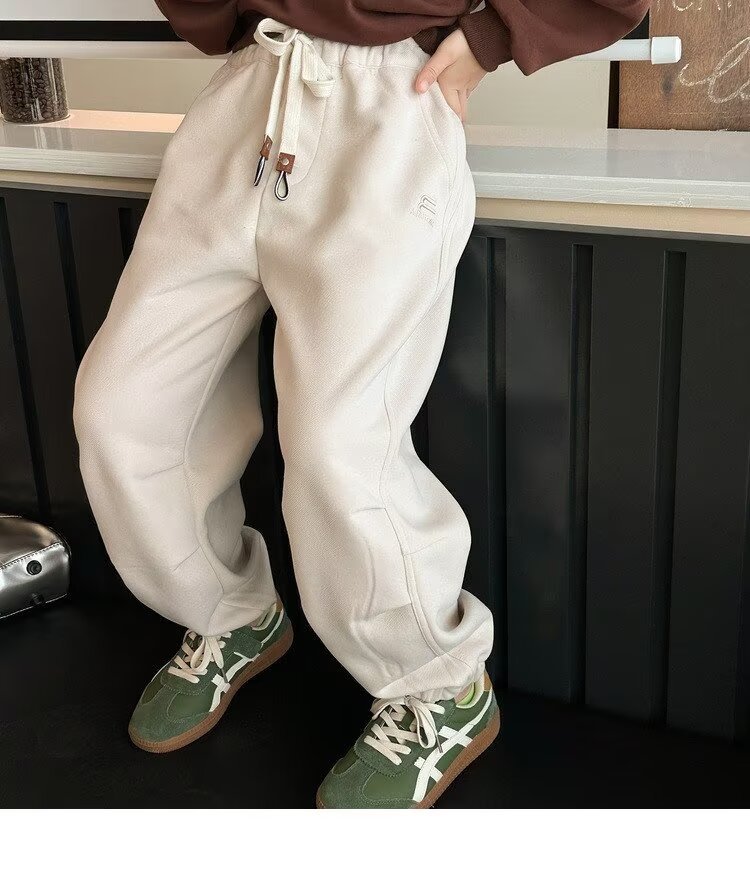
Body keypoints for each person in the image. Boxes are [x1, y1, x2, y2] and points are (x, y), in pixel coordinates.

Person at [73, 0, 651, 808]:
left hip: (390, 100)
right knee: (121, 406)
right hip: (251, 87)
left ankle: (438, 689)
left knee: (338, 442)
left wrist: (494, 34)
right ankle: (229, 612)